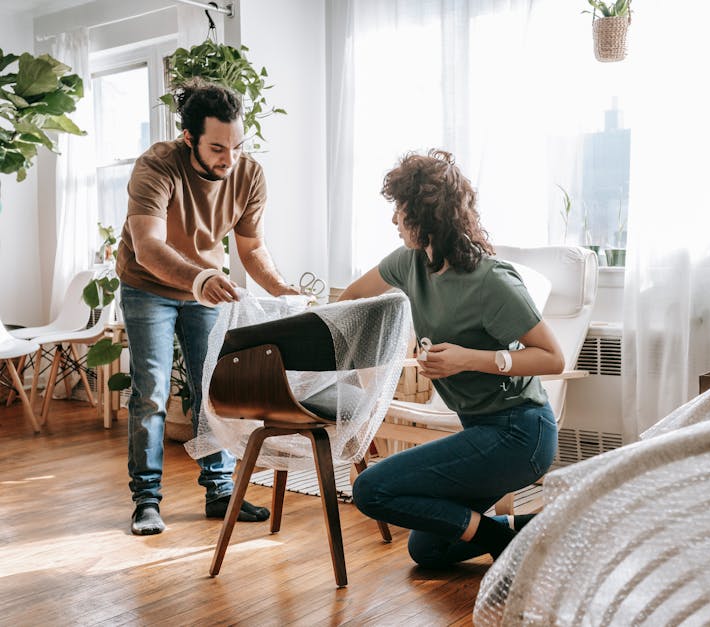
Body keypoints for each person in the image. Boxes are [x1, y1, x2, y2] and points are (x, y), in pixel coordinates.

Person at [340, 149, 565, 567]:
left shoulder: (490, 280)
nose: (394, 221)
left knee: (372, 489)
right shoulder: (408, 264)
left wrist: (468, 359)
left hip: (521, 433)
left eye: (401, 210)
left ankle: (503, 546)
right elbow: (351, 298)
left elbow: (552, 358)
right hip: (478, 430)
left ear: (429, 216)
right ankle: (531, 528)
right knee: (428, 549)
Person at [116, 79, 299, 535]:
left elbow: (251, 246)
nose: (229, 159)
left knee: (213, 390)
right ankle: (146, 501)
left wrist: (281, 289)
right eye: (218, 148)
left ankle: (220, 492)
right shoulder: (157, 167)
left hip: (207, 289)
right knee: (152, 391)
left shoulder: (249, 174)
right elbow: (147, 246)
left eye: (237, 146)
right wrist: (200, 277)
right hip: (148, 287)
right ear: (188, 139)